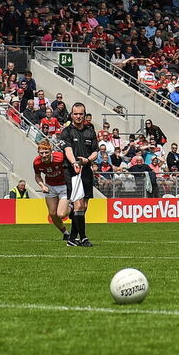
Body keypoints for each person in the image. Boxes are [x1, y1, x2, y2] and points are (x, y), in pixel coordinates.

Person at [59, 102, 98, 247]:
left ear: (85, 114)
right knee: (79, 204)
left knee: (84, 206)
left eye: (81, 114)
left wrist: (88, 160)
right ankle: (83, 238)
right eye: (75, 114)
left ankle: (72, 238)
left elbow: (95, 152)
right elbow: (67, 150)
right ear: (71, 114)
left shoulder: (90, 131)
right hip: (72, 171)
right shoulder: (67, 131)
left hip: (86, 170)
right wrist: (75, 162)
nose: (78, 116)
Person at [34, 140, 71, 242]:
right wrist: (42, 185)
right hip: (50, 186)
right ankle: (65, 233)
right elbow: (37, 176)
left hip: (64, 185)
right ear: (38, 153)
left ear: (51, 151)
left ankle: (71, 208)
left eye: (46, 152)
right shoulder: (37, 162)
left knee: (61, 214)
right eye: (41, 153)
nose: (44, 155)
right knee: (52, 213)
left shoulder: (60, 157)